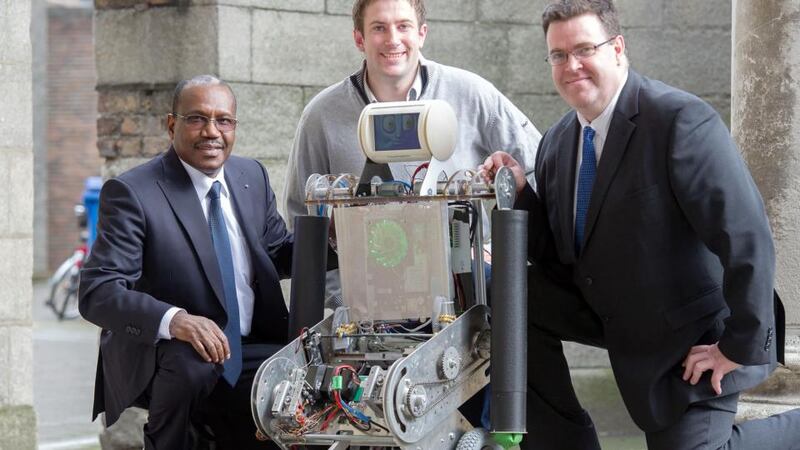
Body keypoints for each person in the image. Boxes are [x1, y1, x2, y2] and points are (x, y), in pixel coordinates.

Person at [479, 1, 800, 449]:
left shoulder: (679, 120)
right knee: (510, 294)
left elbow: (747, 238)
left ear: (617, 48)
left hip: (692, 332)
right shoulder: (557, 142)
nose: (571, 65)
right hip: (615, 307)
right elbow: (558, 255)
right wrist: (519, 193)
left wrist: (737, 346)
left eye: (584, 48)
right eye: (558, 55)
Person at [79, 75, 295, 449]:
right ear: (171, 124)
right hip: (166, 351)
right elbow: (98, 291)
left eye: (223, 120)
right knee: (193, 360)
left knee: (303, 373)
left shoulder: (251, 177)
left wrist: (340, 237)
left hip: (248, 343)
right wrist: (175, 320)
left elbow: (276, 253)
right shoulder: (134, 192)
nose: (212, 131)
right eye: (197, 118)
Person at [282, 0, 542, 222]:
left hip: (462, 276)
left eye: (403, 26)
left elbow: (537, 169)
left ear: (422, 33)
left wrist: (495, 253)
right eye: (379, 28)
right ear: (359, 39)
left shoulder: (472, 93)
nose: (393, 39)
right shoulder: (321, 114)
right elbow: (299, 211)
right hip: (361, 276)